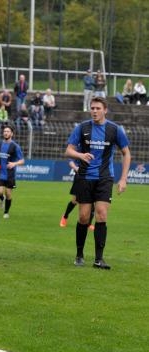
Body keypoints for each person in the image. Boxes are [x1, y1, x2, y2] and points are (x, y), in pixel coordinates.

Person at [65, 96, 131, 270]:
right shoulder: (82, 127)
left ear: (105, 110)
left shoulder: (114, 129)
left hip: (104, 178)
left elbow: (126, 153)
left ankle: (98, 259)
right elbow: (68, 150)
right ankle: (79, 254)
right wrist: (80, 155)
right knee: (84, 217)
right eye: (92, 108)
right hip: (85, 177)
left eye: (97, 108)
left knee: (101, 214)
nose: (94, 111)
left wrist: (123, 178)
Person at [0, 125, 25, 219]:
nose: (6, 133)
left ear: (12, 134)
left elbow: (22, 161)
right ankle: (2, 198)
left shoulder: (15, 146)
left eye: (8, 131)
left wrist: (14, 163)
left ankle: (6, 212)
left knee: (9, 194)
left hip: (10, 175)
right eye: (4, 131)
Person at [59, 158, 95, 231]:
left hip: (93, 176)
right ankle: (65, 217)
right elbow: (70, 160)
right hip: (80, 176)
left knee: (92, 201)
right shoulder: (80, 148)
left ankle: (89, 224)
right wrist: (75, 167)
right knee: (75, 200)